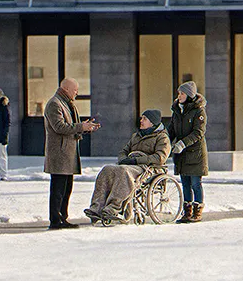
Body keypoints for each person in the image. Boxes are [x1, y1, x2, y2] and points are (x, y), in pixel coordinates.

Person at [85, 110, 174, 222]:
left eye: (144, 119)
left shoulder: (162, 138)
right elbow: (124, 151)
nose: (141, 121)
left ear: (152, 123)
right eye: (141, 118)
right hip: (131, 164)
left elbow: (160, 158)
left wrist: (136, 160)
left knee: (124, 171)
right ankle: (96, 208)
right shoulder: (136, 136)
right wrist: (124, 159)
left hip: (148, 168)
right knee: (107, 169)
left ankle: (113, 208)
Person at [43, 79, 95, 229]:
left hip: (67, 153)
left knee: (67, 188)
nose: (77, 93)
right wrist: (81, 126)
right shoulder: (55, 104)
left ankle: (62, 217)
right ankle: (55, 220)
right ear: (65, 89)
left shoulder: (65, 103)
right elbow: (59, 127)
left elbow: (69, 125)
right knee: (58, 188)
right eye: (75, 90)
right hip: (60, 153)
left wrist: (84, 126)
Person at [167, 75, 209, 223]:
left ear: (189, 95)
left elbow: (198, 133)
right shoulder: (177, 111)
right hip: (182, 154)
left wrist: (183, 143)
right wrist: (165, 140)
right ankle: (187, 211)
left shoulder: (199, 112)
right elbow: (171, 130)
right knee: (185, 183)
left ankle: (198, 210)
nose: (179, 96)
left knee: (195, 183)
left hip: (195, 153)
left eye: (182, 94)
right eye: (178, 94)